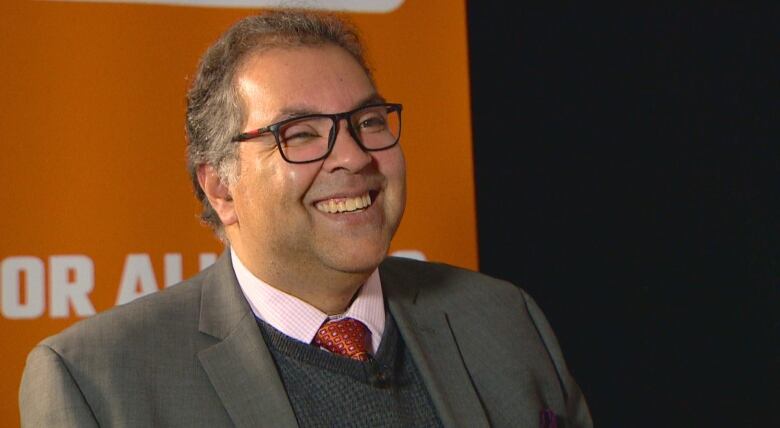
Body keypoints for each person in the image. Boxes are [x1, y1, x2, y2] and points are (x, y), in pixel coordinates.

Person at [19, 10, 591, 428]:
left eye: (367, 120)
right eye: (300, 135)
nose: (353, 156)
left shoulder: (504, 319)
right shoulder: (96, 383)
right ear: (221, 188)